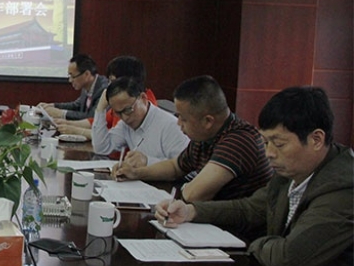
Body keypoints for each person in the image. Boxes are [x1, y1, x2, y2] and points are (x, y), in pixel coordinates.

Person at [155, 86, 352, 266]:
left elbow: (288, 261)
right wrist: (191, 211)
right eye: (266, 142)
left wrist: (253, 244)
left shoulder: (344, 189)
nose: (269, 153)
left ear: (316, 139)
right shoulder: (291, 172)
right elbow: (250, 208)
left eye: (279, 144)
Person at [112, 75, 271, 201]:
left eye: (183, 119)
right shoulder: (205, 136)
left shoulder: (238, 140)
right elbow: (175, 167)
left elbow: (194, 194)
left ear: (208, 121)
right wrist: (136, 173)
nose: (178, 123)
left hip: (236, 230)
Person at [90, 76, 189, 165]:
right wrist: (100, 109)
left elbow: (184, 169)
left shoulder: (171, 126)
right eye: (118, 113)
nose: (124, 118)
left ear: (143, 98)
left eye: (128, 110)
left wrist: (147, 161)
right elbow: (102, 148)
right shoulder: (125, 125)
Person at [56, 55, 157, 137]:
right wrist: (67, 124)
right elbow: (97, 121)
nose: (109, 86)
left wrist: (75, 130)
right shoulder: (126, 100)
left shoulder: (138, 106)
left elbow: (112, 139)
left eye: (112, 81)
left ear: (126, 81)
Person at [39, 53, 109, 121]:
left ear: (87, 74)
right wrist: (53, 105)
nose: (70, 80)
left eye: (73, 76)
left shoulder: (104, 89)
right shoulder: (87, 85)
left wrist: (60, 113)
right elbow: (76, 105)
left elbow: (92, 118)